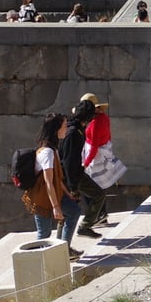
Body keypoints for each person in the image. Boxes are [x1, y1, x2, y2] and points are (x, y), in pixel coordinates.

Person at [22, 113, 83, 258]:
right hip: (42, 199)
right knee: (44, 234)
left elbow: (57, 179)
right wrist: (56, 207)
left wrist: (67, 194)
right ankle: (38, 261)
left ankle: (63, 249)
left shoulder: (53, 149)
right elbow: (48, 182)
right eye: (64, 126)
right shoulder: (47, 153)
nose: (66, 129)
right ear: (56, 129)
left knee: (73, 211)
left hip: (53, 195)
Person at [58, 101, 96, 246]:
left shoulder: (75, 130)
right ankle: (64, 249)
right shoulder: (73, 133)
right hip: (67, 179)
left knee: (66, 214)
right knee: (71, 212)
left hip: (68, 177)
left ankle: (61, 248)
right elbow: (67, 161)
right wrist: (72, 187)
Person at [79, 92, 117, 231]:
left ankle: (98, 215)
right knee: (98, 186)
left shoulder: (95, 122)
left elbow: (94, 145)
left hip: (95, 156)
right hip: (101, 153)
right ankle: (101, 215)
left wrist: (86, 162)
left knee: (88, 187)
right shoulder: (104, 118)